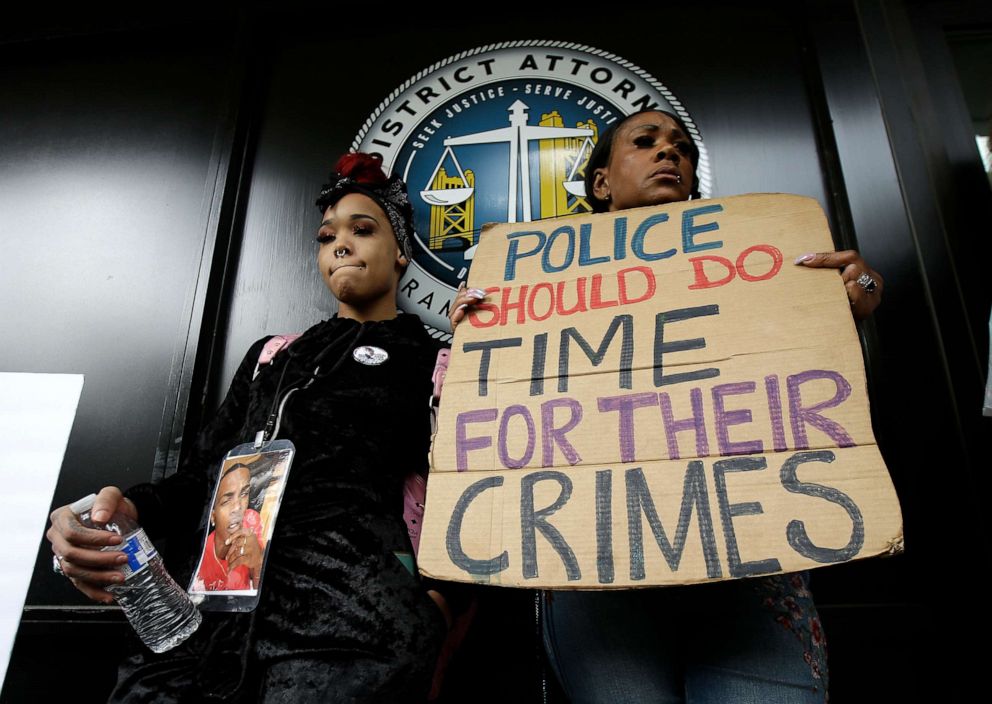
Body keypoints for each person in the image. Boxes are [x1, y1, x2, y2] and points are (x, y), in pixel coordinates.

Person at [450, 110, 884, 703]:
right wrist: (480, 342)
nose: (668, 154)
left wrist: (842, 302)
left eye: (680, 148)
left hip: (751, 563)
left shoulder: (755, 265)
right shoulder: (530, 288)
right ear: (601, 183)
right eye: (646, 143)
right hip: (593, 570)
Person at [47, 152, 452, 703]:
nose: (340, 243)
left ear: (401, 250)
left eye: (363, 229)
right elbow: (198, 478)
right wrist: (128, 510)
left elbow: (468, 491)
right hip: (207, 615)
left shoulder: (434, 358)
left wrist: (435, 599)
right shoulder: (271, 355)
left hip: (351, 620)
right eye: (326, 234)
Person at [192, 463, 264, 592]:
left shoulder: (251, 520)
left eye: (244, 493)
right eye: (226, 501)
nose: (238, 507)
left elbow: (260, 590)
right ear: (212, 516)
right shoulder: (200, 556)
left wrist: (258, 562)